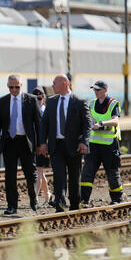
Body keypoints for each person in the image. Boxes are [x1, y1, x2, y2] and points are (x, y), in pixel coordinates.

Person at [39, 74, 91, 213]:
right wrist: (43, 143)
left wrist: (84, 142)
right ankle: (60, 206)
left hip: (74, 146)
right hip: (56, 146)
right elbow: (44, 124)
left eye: (54, 83)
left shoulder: (79, 102)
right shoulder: (51, 101)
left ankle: (74, 205)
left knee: (74, 177)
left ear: (64, 83)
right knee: (59, 177)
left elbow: (87, 124)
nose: (52, 86)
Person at [0, 75, 40, 215]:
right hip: (9, 142)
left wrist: (40, 144)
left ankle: (33, 198)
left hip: (26, 142)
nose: (14, 90)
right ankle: (12, 205)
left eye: (17, 87)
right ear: (8, 86)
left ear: (21, 86)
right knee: (10, 175)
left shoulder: (31, 100)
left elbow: (38, 123)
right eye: (11, 87)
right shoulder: (2, 101)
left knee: (30, 174)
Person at [81, 80, 123, 205]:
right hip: (93, 144)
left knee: (112, 172)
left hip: (110, 145)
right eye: (94, 89)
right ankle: (83, 199)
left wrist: (101, 124)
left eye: (98, 89)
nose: (95, 92)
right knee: (87, 172)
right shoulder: (92, 103)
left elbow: (115, 121)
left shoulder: (113, 104)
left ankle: (116, 199)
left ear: (105, 90)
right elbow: (89, 119)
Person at [32, 86, 53, 207]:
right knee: (39, 170)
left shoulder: (46, 111)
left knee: (39, 170)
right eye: (35, 99)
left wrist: (45, 145)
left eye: (39, 98)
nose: (38, 101)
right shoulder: (33, 111)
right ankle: (47, 195)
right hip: (34, 145)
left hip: (43, 144)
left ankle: (34, 197)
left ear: (44, 98)